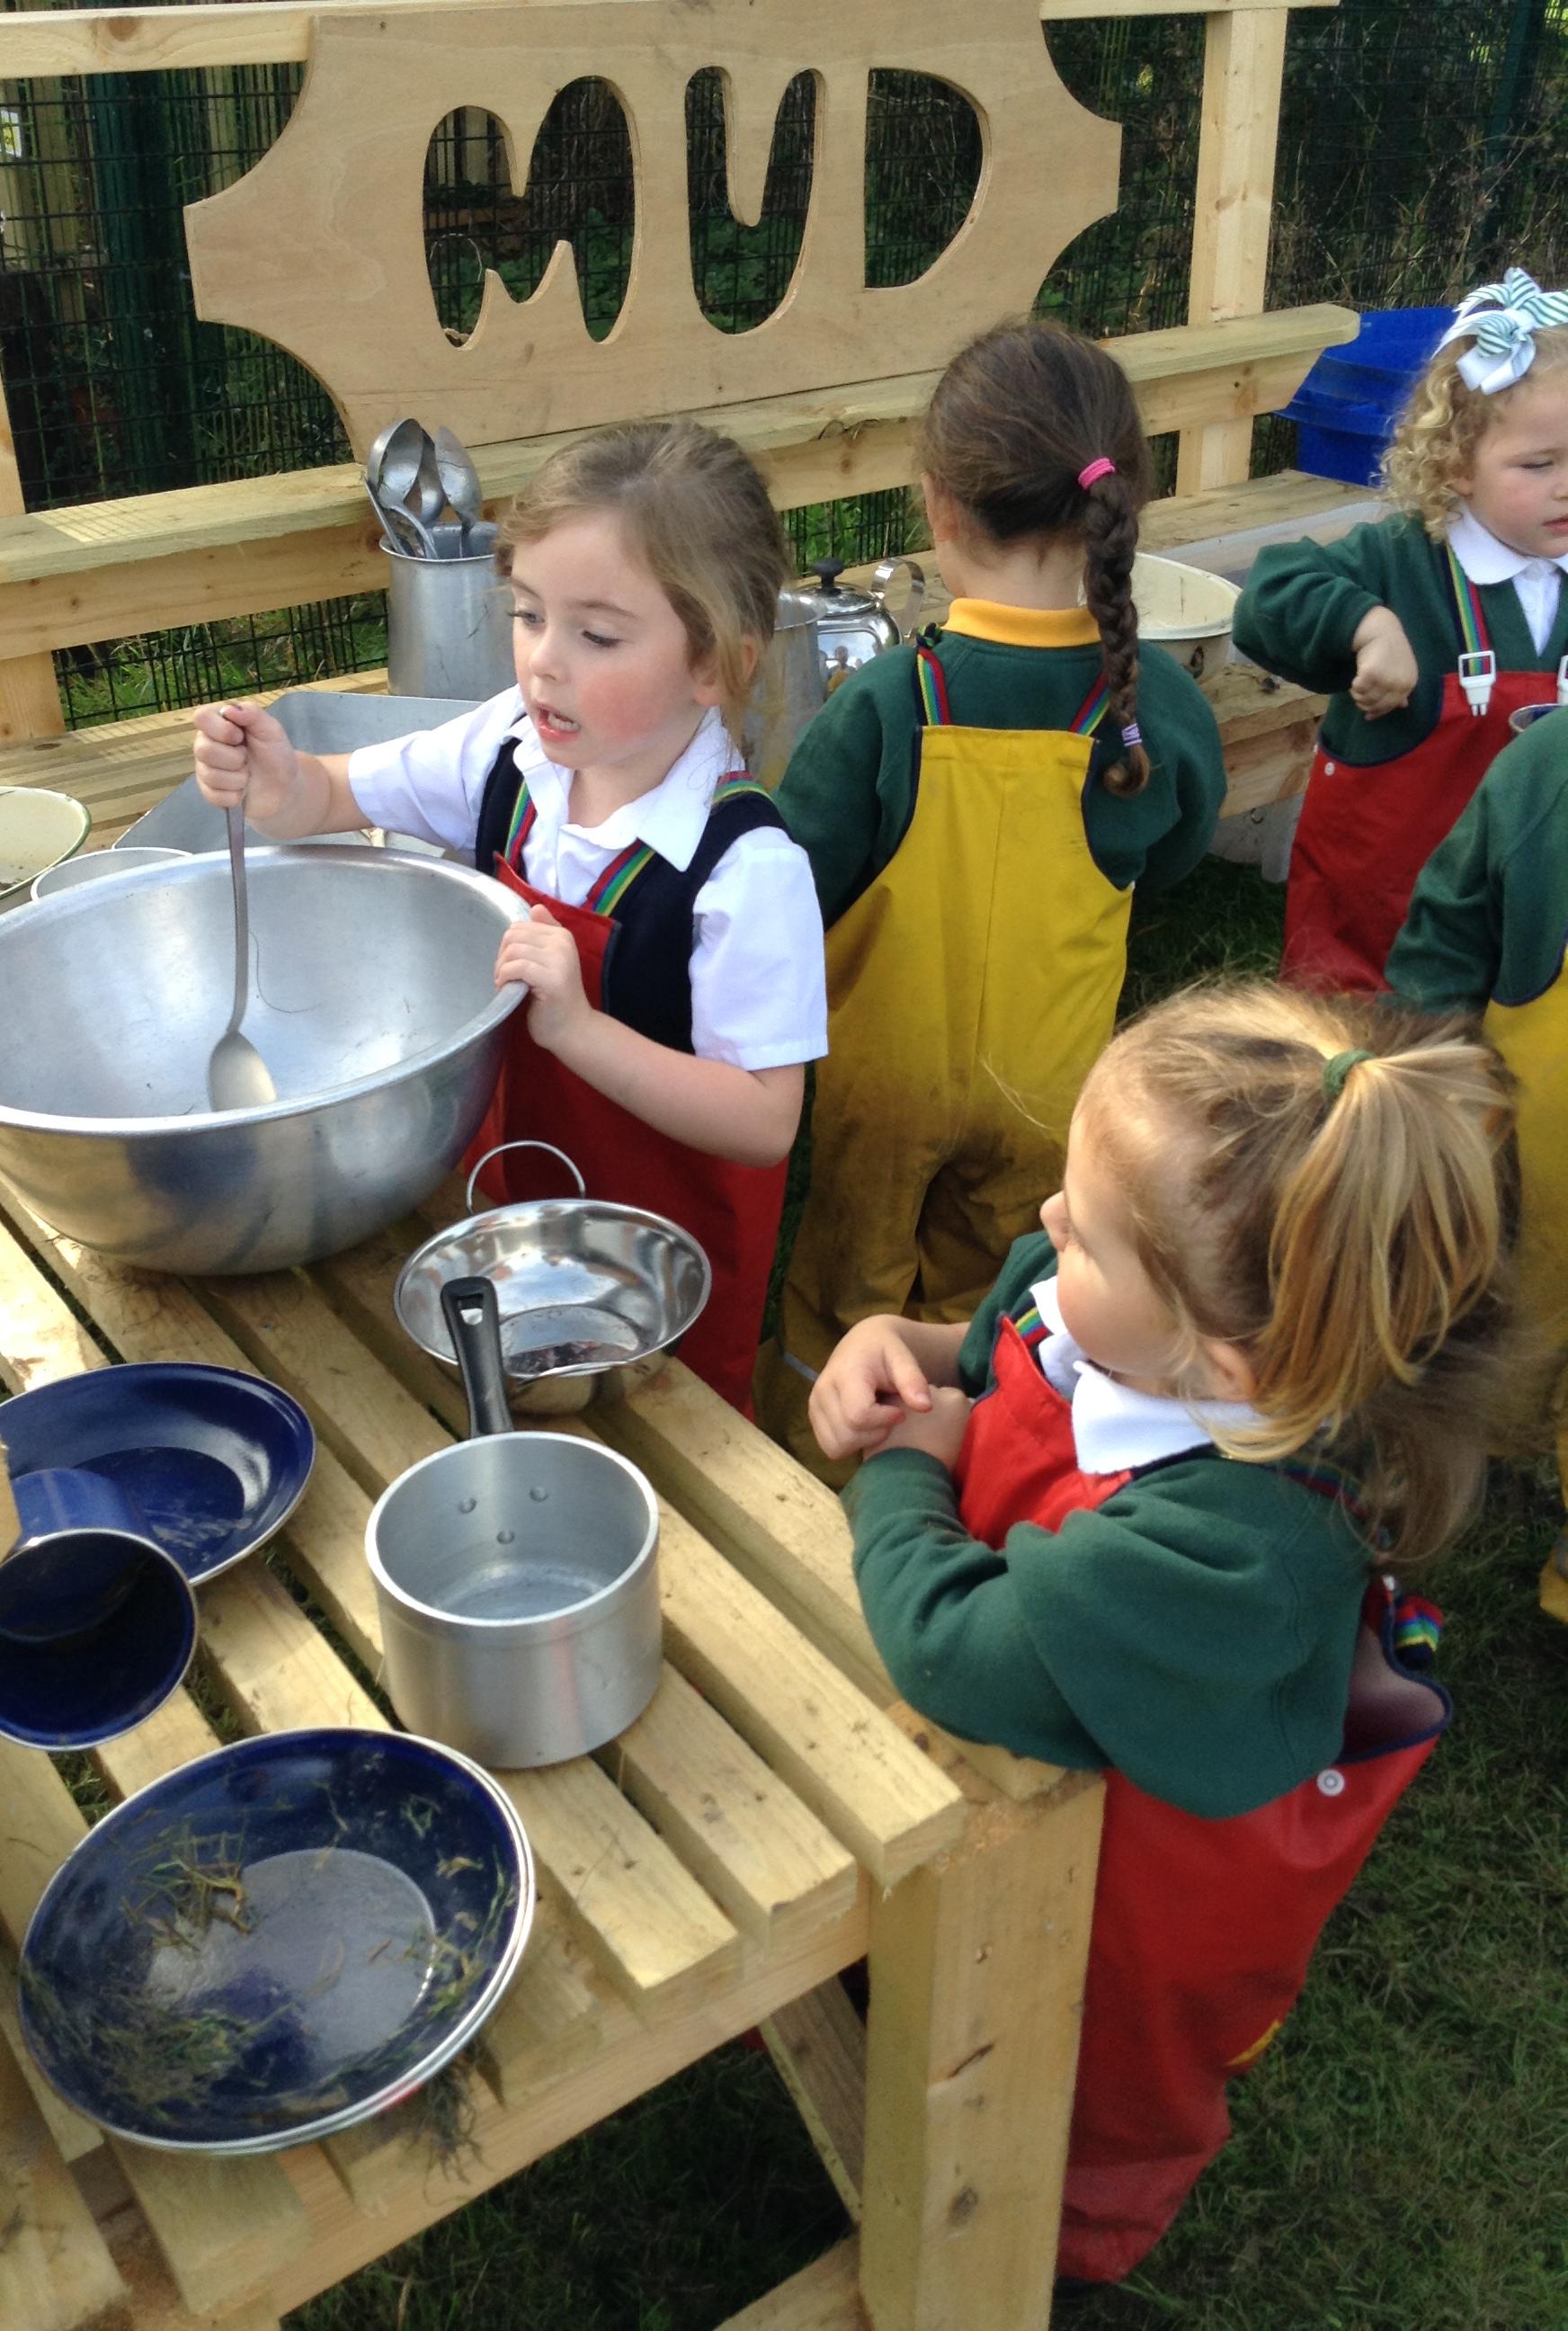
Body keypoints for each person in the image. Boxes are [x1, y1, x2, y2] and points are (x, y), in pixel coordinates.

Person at [808, 978, 1528, 2286]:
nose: (1043, 1227)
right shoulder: (1129, 1321)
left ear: (1222, 1366)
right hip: (1035, 1767)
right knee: (954, 1952)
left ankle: (1068, 2230)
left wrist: (903, 1472)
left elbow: (953, 1645)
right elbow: (998, 1347)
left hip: (1147, 1876)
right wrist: (894, 1341)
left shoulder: (1233, 1552)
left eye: (1084, 1234)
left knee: (1098, 2052)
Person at [191, 419, 827, 1412]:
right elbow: (328, 794)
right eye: (528, 615)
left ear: (713, 663)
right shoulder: (508, 750)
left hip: (660, 1309)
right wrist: (275, 782)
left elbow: (763, 1120)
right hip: (506, 1229)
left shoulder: (744, 870)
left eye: (597, 635)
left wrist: (579, 1031)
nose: (543, 664)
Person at [754, 317, 1225, 1476]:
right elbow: (1174, 852)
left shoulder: (886, 702)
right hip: (1050, 1087)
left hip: (880, 1083)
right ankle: (980, 1459)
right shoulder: (1156, 708)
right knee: (1003, 1295)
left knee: (846, 1282)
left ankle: (817, 1457)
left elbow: (790, 884)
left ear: (938, 503)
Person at [1233, 266, 1568, 993]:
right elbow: (1269, 597)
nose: (1565, 486)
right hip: (1378, 924)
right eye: (1539, 464)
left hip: (1529, 916)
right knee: (1369, 1050)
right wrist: (1367, 624)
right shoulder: (1400, 559)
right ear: (1456, 464)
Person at [1387, 707, 1568, 1622]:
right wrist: (1426, 1070)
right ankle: (1496, 1448)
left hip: (1539, 1153)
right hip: (1537, 1156)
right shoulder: (1547, 769)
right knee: (1512, 1322)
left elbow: (1441, 943)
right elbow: (1445, 944)